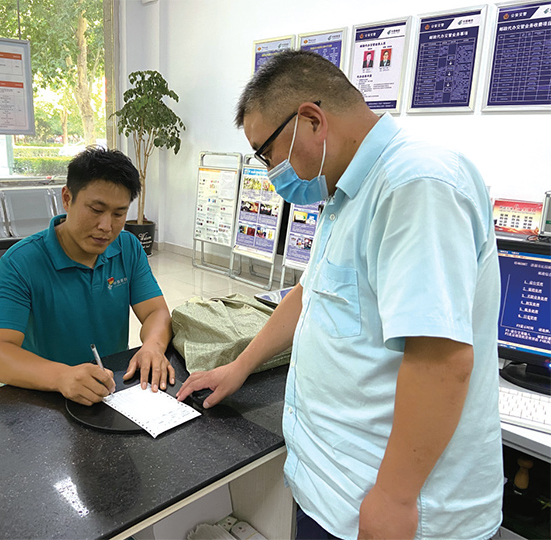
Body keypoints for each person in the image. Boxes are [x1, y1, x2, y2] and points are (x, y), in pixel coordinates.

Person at [177, 50, 502, 540]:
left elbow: (441, 361)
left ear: (311, 120)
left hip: (396, 510)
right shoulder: (347, 193)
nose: (270, 172)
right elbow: (309, 294)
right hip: (336, 490)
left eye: (267, 154)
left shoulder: (416, 184)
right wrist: (239, 365)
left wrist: (394, 497)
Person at [0, 147, 174, 406]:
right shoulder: (20, 262)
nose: (106, 226)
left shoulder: (127, 247)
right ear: (67, 198)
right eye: (96, 209)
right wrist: (61, 376)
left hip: (109, 389)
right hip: (43, 397)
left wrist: (153, 346)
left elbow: (156, 312)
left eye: (118, 214)